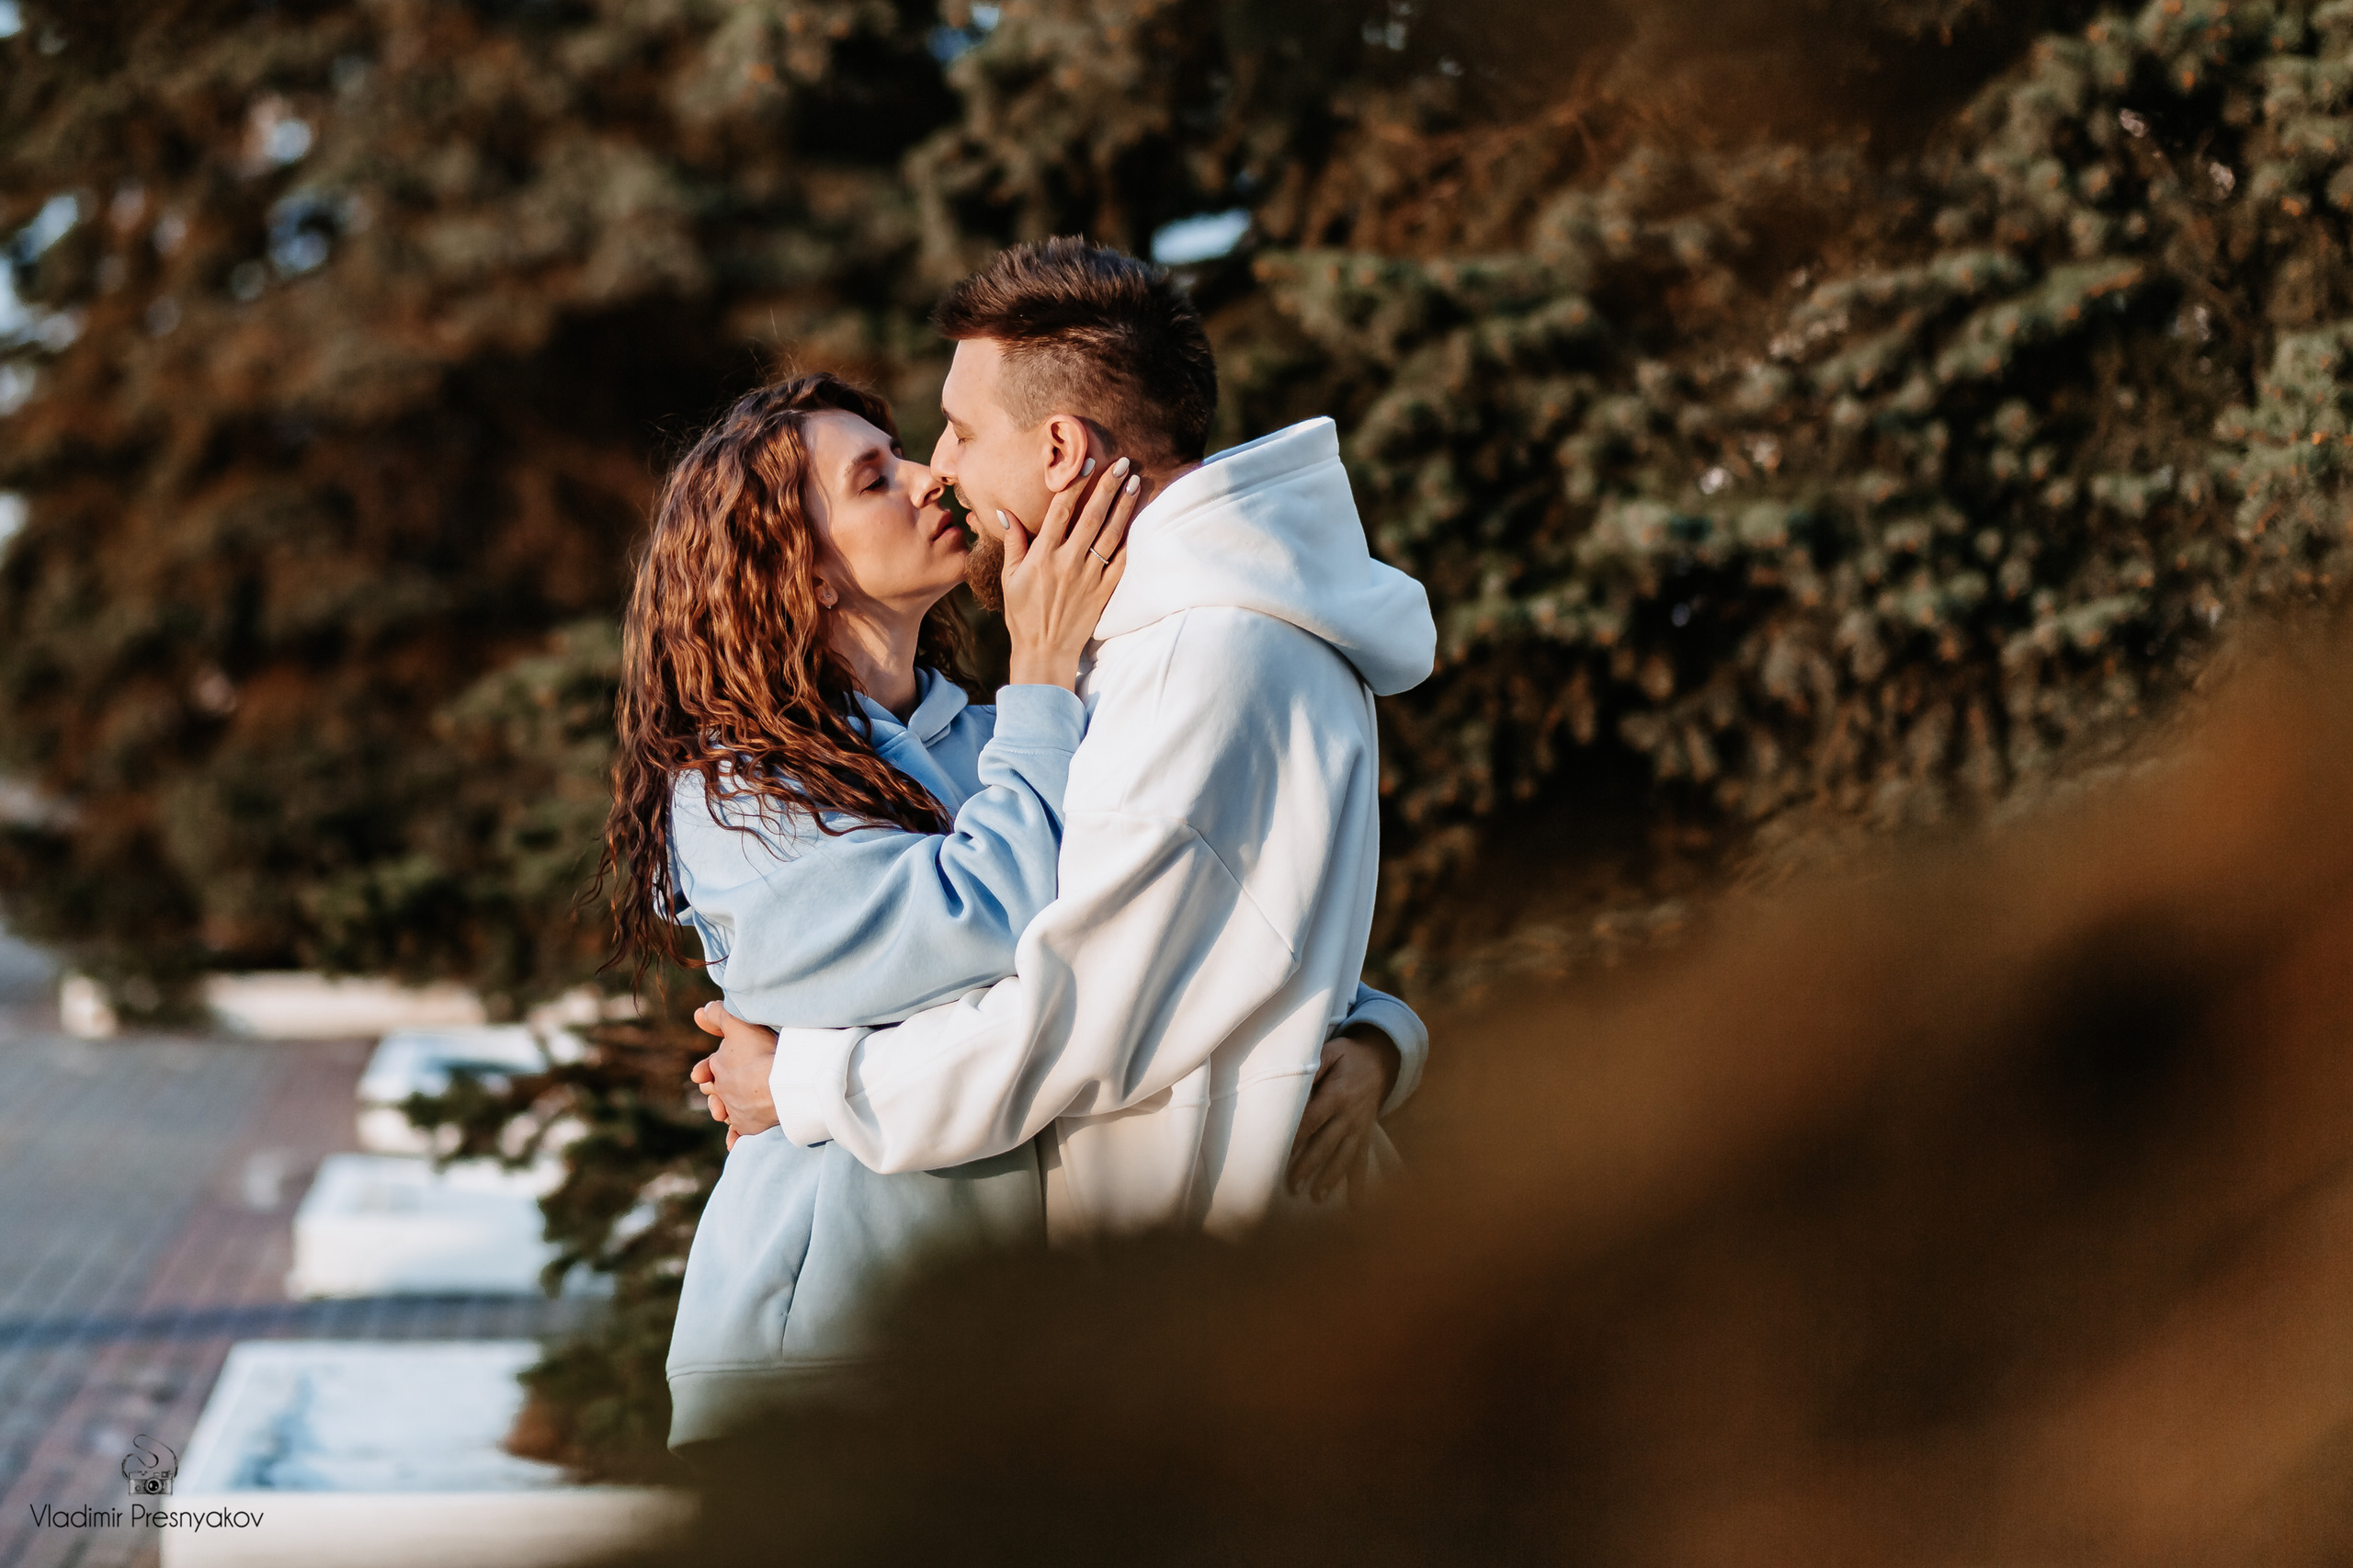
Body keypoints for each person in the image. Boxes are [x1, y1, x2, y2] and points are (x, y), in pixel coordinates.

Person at [604, 371, 1426, 1447]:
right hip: (825, 1344)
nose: (928, 475)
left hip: (996, 1338)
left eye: (905, 447)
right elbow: (978, 926)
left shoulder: (1007, 735)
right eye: (873, 477)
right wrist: (1040, 677)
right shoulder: (741, 794)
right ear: (791, 564)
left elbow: (1173, 926)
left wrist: (1372, 1034)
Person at [700, 237, 1437, 1243]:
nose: (940, 469)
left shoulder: (1198, 662)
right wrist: (1379, 1030)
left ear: (1058, 449)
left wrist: (800, 1079)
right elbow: (1220, 933)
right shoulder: (1153, 648)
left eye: (958, 432)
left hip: (1195, 1281)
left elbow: (1078, 1016)